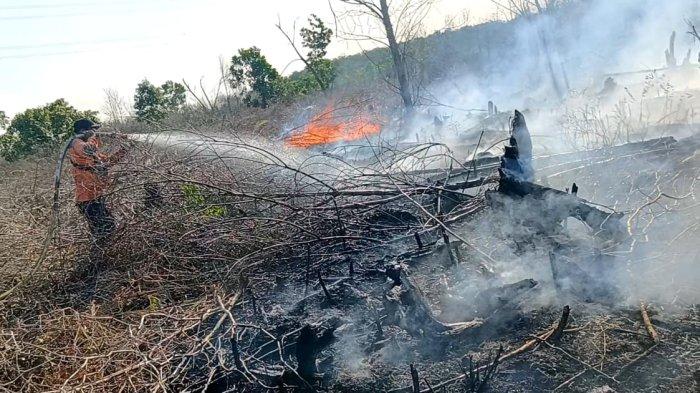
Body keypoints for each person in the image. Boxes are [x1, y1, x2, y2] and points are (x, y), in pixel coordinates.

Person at [68, 119, 127, 242]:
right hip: (87, 200)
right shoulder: (76, 143)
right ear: (83, 131)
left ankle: (104, 255)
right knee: (104, 232)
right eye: (93, 130)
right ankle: (100, 257)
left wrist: (123, 150)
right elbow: (87, 149)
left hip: (96, 196)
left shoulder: (93, 154)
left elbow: (107, 162)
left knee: (109, 227)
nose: (96, 132)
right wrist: (92, 137)